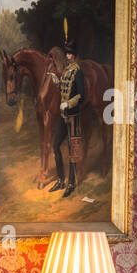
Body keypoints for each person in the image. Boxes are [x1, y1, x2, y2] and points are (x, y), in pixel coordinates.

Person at [52, 38, 85, 198]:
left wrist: (68, 104)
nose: (68, 56)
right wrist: (57, 83)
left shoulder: (77, 71)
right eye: (67, 53)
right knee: (55, 145)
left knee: (72, 150)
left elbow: (81, 95)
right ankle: (60, 179)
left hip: (72, 115)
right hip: (63, 115)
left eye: (71, 53)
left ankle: (71, 183)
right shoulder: (66, 70)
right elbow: (65, 89)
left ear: (75, 54)